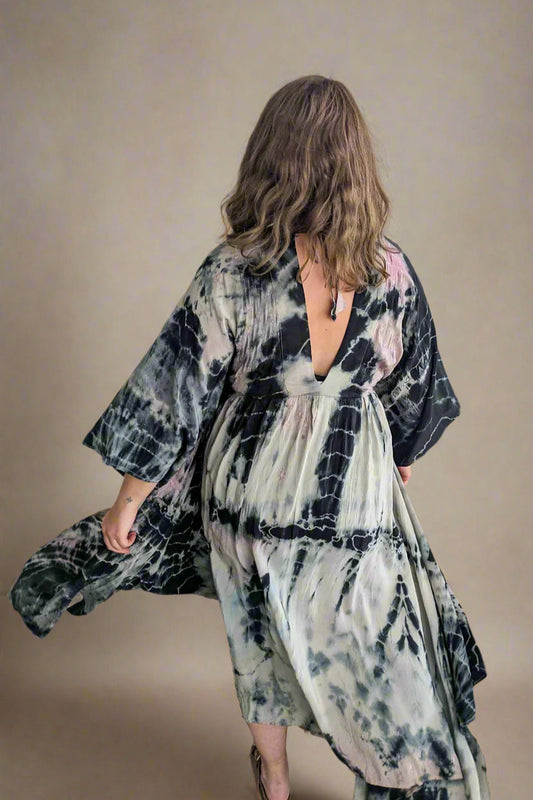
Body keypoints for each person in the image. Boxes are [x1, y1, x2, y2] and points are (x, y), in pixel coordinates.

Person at [8, 75, 491, 800]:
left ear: (271, 157)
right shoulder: (389, 271)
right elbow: (413, 384)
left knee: (257, 630)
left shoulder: (234, 270)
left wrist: (128, 503)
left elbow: (174, 394)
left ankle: (273, 774)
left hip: (246, 490)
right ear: (356, 163)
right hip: (347, 494)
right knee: (370, 635)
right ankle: (396, 770)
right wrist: (397, 455)